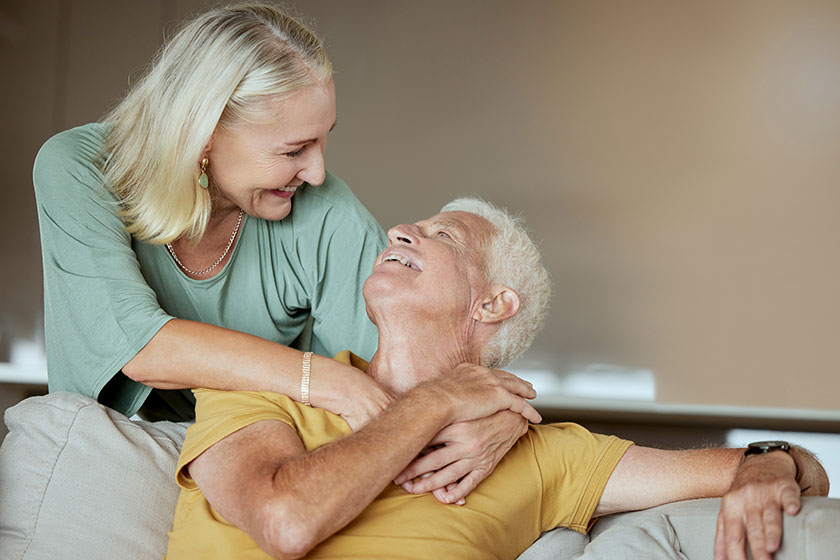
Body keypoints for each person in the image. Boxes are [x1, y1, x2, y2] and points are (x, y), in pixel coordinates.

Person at [32, 3, 524, 503]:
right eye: (294, 150)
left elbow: (415, 356)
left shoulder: (322, 207)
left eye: (323, 141)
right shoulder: (80, 168)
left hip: (263, 466)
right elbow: (137, 345)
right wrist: (324, 380)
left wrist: (503, 419)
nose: (315, 172)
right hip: (114, 461)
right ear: (204, 133)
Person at [164, 197, 829, 560]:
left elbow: (791, 469)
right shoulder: (265, 384)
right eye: (413, 225)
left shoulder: (547, 456)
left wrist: (773, 463)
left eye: (441, 234)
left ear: (491, 304)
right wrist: (437, 401)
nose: (400, 229)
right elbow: (284, 523)